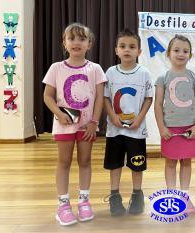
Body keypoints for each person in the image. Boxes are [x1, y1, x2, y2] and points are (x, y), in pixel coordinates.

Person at [43, 23, 107, 225]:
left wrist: (94, 122)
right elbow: (48, 96)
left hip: (87, 125)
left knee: (85, 161)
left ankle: (84, 201)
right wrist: (59, 115)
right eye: (71, 38)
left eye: (81, 39)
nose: (76, 42)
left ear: (90, 44)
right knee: (64, 162)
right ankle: (63, 204)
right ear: (64, 42)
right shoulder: (56, 68)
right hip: (64, 125)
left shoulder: (95, 69)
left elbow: (99, 98)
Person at [103, 29, 153, 216]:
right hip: (114, 130)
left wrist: (139, 119)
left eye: (132, 47)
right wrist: (112, 116)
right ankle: (115, 196)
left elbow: (149, 98)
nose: (127, 50)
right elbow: (106, 98)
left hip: (136, 131)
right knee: (115, 164)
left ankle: (137, 195)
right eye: (123, 46)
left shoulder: (144, 73)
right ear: (116, 50)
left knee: (136, 164)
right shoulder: (110, 72)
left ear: (139, 51)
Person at [154, 34, 195, 214]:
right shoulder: (163, 78)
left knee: (186, 163)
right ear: (168, 53)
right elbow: (158, 104)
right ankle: (171, 195)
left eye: (185, 51)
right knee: (170, 163)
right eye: (176, 50)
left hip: (189, 129)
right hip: (170, 129)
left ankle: (184, 195)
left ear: (190, 55)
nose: (181, 54)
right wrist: (162, 128)